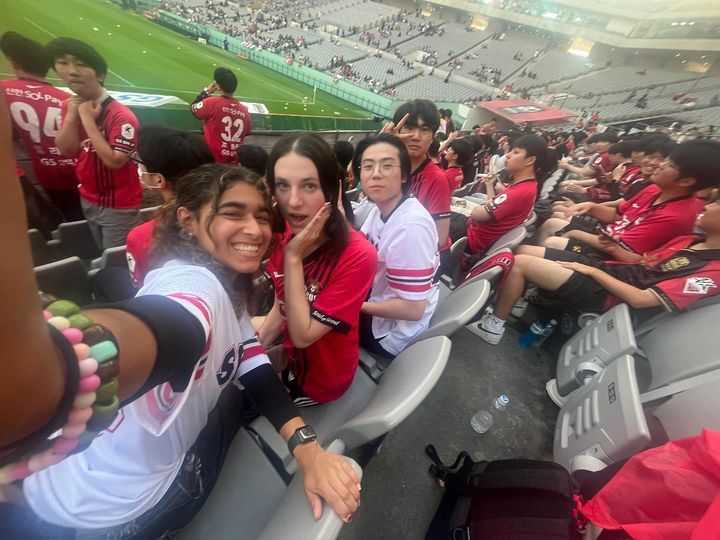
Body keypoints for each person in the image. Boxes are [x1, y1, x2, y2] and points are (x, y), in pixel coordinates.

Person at [0, 90, 359, 535]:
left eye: (262, 216)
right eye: (233, 213)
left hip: (98, 496)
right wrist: (63, 364)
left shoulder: (222, 285)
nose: (256, 228)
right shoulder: (194, 292)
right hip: (100, 512)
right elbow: (169, 326)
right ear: (187, 219)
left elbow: (249, 353)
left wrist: (308, 448)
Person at [474, 195, 720, 345]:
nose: (707, 206)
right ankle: (512, 301)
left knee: (521, 264)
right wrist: (610, 249)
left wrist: (592, 271)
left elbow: (641, 299)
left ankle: (493, 326)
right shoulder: (688, 240)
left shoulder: (712, 273)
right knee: (523, 251)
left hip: (610, 294)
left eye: (717, 204)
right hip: (609, 269)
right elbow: (641, 261)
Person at [256, 133, 377, 406]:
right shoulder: (282, 231)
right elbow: (281, 306)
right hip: (290, 356)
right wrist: (254, 350)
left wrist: (293, 256)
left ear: (331, 189)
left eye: (309, 186)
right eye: (283, 186)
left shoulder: (358, 255)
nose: (294, 201)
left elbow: (303, 336)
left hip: (319, 381)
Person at [49, 37, 141, 249]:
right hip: (88, 196)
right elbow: (66, 150)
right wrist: (72, 116)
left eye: (81, 64)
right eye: (62, 63)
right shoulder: (69, 107)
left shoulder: (121, 116)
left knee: (116, 260)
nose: (72, 71)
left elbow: (115, 161)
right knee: (102, 251)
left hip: (118, 204)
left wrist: (88, 120)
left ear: (100, 75)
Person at [354, 134, 440, 359]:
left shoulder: (410, 227)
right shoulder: (380, 209)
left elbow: (412, 309)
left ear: (404, 175)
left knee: (318, 317)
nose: (376, 173)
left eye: (387, 165)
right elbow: (358, 249)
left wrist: (352, 305)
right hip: (378, 301)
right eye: (368, 166)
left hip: (389, 334)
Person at [0, 32, 81, 221]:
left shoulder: (4, 90)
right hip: (78, 177)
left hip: (45, 179)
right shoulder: (67, 99)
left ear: (12, 63)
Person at [126, 126, 215, 287]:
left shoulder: (142, 236)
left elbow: (142, 289)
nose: (138, 168)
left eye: (141, 163)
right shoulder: (225, 220)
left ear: (159, 180)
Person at [463, 135, 556, 269]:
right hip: (477, 234)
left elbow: (477, 214)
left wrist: (480, 208)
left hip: (471, 239)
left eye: (516, 152)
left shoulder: (520, 192)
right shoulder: (527, 186)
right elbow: (493, 208)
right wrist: (490, 186)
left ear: (530, 160)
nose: (508, 155)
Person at [381, 100, 451, 253]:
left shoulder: (437, 179)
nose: (416, 136)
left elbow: (440, 238)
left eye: (425, 129)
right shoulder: (388, 167)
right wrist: (381, 145)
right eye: (409, 128)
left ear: (432, 137)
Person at [191, 67, 252, 164]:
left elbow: (194, 109)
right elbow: (247, 131)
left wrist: (206, 92)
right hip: (234, 164)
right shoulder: (245, 111)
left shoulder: (212, 103)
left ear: (218, 86)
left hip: (213, 162)